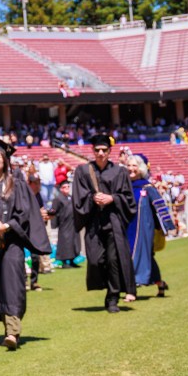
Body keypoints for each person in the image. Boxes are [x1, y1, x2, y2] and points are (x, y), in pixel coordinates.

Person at [0, 136, 50, 350]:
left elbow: (24, 214)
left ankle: (13, 332)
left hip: (12, 242)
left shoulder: (17, 184)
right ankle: (8, 329)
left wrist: (7, 226)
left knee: (12, 284)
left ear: (4, 160)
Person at [72, 134, 137, 313]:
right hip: (93, 222)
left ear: (110, 151)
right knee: (94, 260)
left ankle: (112, 297)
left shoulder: (120, 172)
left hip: (113, 223)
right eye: (97, 150)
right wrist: (92, 198)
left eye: (104, 150)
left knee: (113, 260)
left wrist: (112, 198)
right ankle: (106, 288)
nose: (100, 153)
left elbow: (129, 199)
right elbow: (78, 197)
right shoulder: (83, 171)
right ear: (92, 151)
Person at [125, 155, 176, 299]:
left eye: (134, 166)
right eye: (129, 165)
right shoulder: (124, 186)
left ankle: (132, 289)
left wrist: (166, 226)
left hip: (143, 228)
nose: (131, 169)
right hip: (127, 226)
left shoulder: (147, 187)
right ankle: (160, 283)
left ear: (141, 168)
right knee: (145, 257)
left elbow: (159, 206)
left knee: (139, 254)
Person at [45, 177, 79, 269]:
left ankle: (72, 260)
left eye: (68, 187)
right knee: (65, 241)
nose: (67, 189)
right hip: (64, 223)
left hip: (72, 223)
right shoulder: (58, 199)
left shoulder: (70, 197)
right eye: (65, 187)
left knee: (73, 241)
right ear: (61, 189)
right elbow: (53, 211)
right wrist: (53, 222)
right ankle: (64, 261)